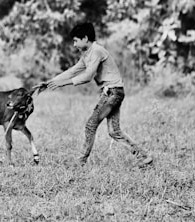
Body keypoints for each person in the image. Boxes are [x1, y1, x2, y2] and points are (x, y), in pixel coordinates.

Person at [35, 22, 153, 168]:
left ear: (85, 38)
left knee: (90, 126)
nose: (74, 44)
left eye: (76, 40)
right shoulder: (87, 54)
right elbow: (72, 71)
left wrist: (63, 83)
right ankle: (145, 157)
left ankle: (79, 162)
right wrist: (49, 83)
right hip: (115, 91)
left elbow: (87, 76)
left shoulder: (96, 51)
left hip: (112, 92)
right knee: (114, 131)